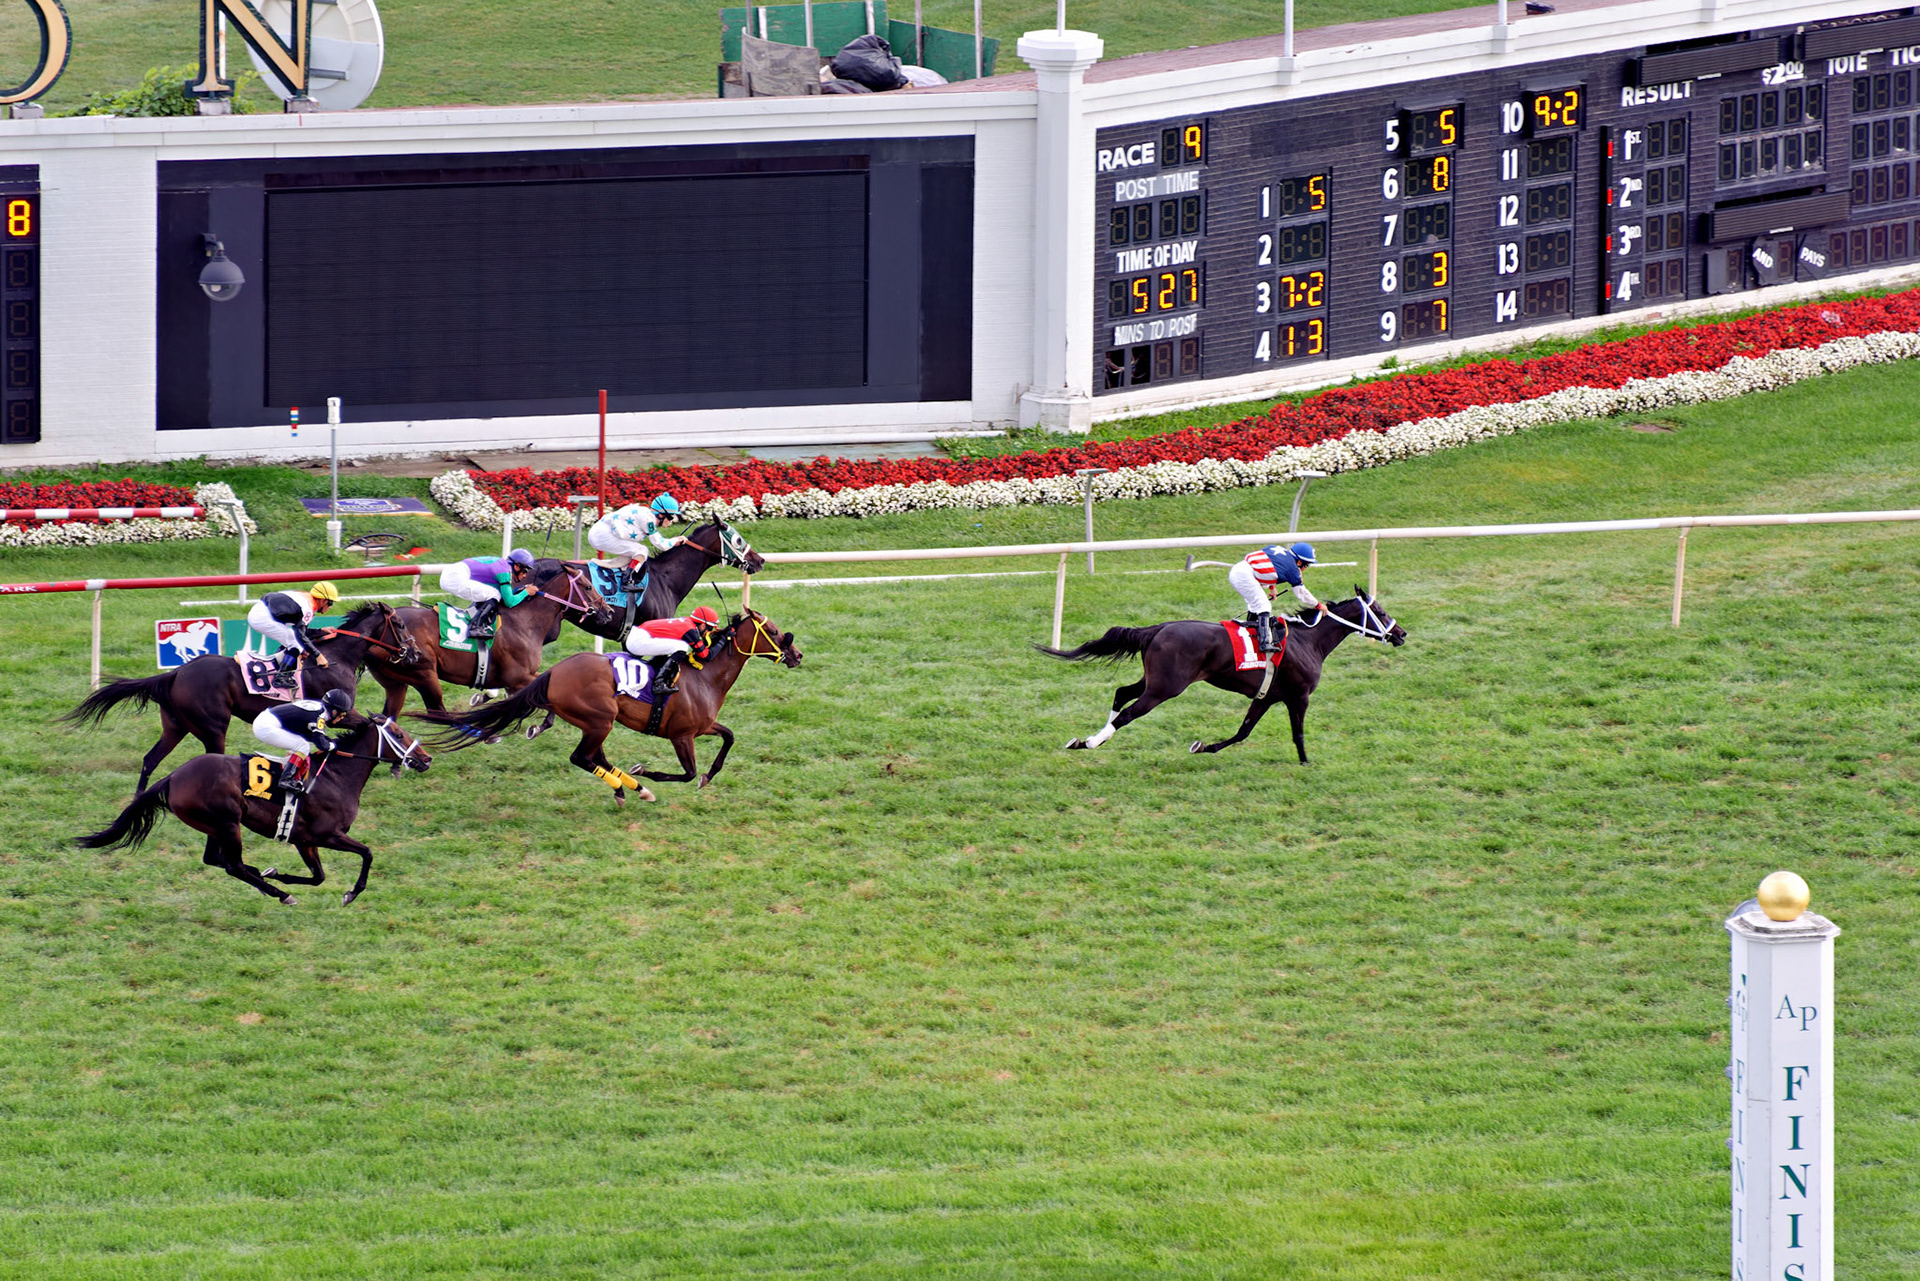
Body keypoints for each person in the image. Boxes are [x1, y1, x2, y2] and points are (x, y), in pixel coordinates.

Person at [1228, 541, 1325, 655]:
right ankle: (1264, 643)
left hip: (1239, 568)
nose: (1306, 568)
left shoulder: (1278, 549)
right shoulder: (1293, 569)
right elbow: (1301, 593)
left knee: (1257, 605)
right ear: (1299, 562)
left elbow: (1267, 567)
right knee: (1263, 606)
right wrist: (1318, 605)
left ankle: (1251, 631)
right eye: (1307, 565)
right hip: (1244, 575)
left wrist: (1272, 587)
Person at [251, 688, 354, 794]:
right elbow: (320, 744)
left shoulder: (318, 708)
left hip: (267, 720)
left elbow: (312, 736)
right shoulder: (321, 716)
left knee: (301, 743)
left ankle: (290, 769)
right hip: (265, 727)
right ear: (334, 712)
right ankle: (286, 780)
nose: (342, 718)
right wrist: (333, 746)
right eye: (342, 715)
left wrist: (330, 741)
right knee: (303, 746)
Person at [246, 581, 341, 683]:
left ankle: (280, 665)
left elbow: (302, 632)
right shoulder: (307, 608)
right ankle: (281, 678)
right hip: (262, 617)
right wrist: (318, 655)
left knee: (293, 641)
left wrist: (320, 631)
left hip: (262, 611)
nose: (330, 606)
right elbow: (300, 635)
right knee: (295, 644)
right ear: (322, 600)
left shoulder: (307, 600)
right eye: (330, 603)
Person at [622, 605, 720, 702]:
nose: (709, 632)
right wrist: (722, 641)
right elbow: (706, 655)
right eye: (710, 629)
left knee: (674, 645)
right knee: (682, 646)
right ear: (703, 625)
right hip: (637, 641)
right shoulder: (690, 630)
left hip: (636, 635)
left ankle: (656, 666)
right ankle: (659, 683)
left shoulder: (687, 622)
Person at [587, 494, 684, 591]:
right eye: (671, 517)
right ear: (661, 515)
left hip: (598, 531)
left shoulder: (645, 512)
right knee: (642, 551)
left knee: (633, 550)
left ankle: (621, 571)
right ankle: (627, 581)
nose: (671, 521)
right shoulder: (649, 521)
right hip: (602, 536)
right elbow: (661, 544)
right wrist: (676, 540)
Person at [438, 548, 535, 639]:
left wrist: (520, 590)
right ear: (517, 566)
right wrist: (526, 592)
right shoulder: (504, 572)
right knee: (493, 594)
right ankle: (476, 627)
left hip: (452, 573)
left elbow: (503, 596)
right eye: (525, 570)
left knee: (490, 594)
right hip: (455, 577)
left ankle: (473, 615)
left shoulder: (503, 566)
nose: (525, 575)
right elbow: (509, 602)